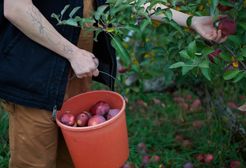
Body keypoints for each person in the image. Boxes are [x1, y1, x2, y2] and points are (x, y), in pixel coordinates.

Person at [0, 0, 227, 168]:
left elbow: (127, 1)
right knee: (33, 163)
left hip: (74, 78)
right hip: (32, 77)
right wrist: (72, 53)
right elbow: (15, 7)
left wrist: (191, 20)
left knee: (72, 159)